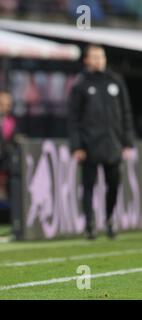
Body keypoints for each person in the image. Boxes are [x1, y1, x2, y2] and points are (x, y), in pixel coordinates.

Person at [68, 44, 134, 240]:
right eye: (94, 57)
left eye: (101, 56)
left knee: (113, 184)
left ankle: (109, 219)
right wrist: (77, 145)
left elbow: (125, 112)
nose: (98, 60)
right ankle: (89, 224)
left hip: (113, 143)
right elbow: (73, 118)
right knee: (89, 185)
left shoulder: (115, 81)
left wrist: (127, 141)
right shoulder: (80, 84)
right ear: (87, 60)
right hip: (89, 144)